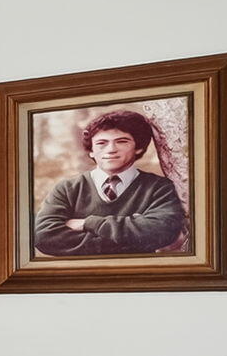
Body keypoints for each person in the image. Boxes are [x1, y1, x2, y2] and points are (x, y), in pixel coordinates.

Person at [32, 109, 186, 256]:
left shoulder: (158, 187)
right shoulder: (67, 189)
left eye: (121, 141)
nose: (111, 149)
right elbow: (43, 236)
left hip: (137, 277)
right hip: (76, 279)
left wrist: (87, 223)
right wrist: (132, 240)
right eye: (101, 143)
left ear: (138, 148)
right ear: (91, 150)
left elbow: (163, 232)